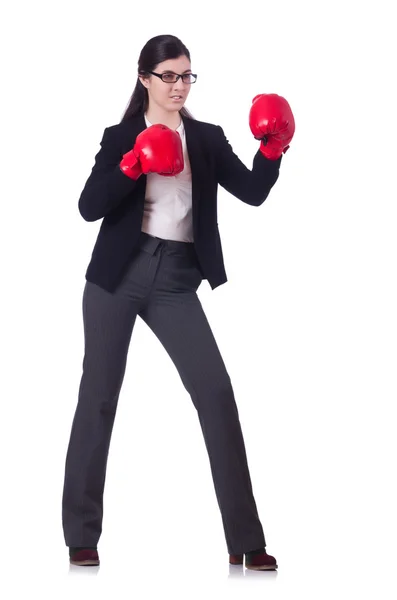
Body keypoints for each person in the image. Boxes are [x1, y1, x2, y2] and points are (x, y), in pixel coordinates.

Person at [62, 34, 295, 570]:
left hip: (176, 281)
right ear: (144, 78)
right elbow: (87, 208)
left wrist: (274, 148)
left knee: (216, 394)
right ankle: (80, 534)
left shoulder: (207, 139)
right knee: (98, 398)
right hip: (116, 277)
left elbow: (253, 193)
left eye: (187, 75)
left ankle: (247, 540)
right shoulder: (120, 134)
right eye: (168, 75)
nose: (178, 86)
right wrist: (132, 164)